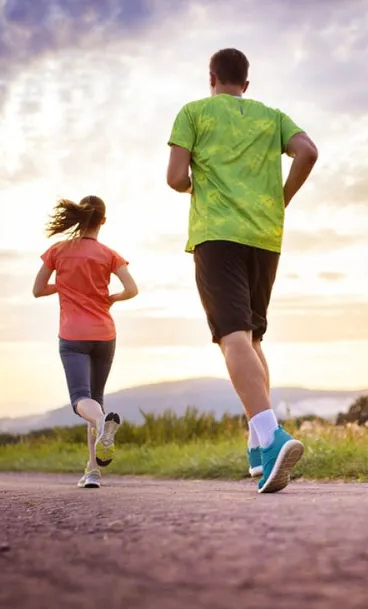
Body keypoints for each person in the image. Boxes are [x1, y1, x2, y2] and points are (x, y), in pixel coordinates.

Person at [165, 48, 319, 494]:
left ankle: (272, 438)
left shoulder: (194, 112)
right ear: (246, 84)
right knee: (251, 337)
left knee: (231, 336)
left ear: (211, 77)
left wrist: (200, 187)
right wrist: (280, 200)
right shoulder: (271, 117)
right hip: (265, 236)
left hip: (218, 234)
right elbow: (307, 152)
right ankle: (257, 447)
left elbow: (175, 178)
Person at [32, 195, 138, 489]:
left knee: (81, 400)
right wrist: (112, 298)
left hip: (73, 336)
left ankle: (102, 433)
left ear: (80, 218)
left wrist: (64, 284)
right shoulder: (109, 254)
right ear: (102, 221)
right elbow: (132, 289)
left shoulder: (58, 251)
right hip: (105, 334)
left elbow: (37, 289)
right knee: (96, 402)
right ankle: (92, 470)